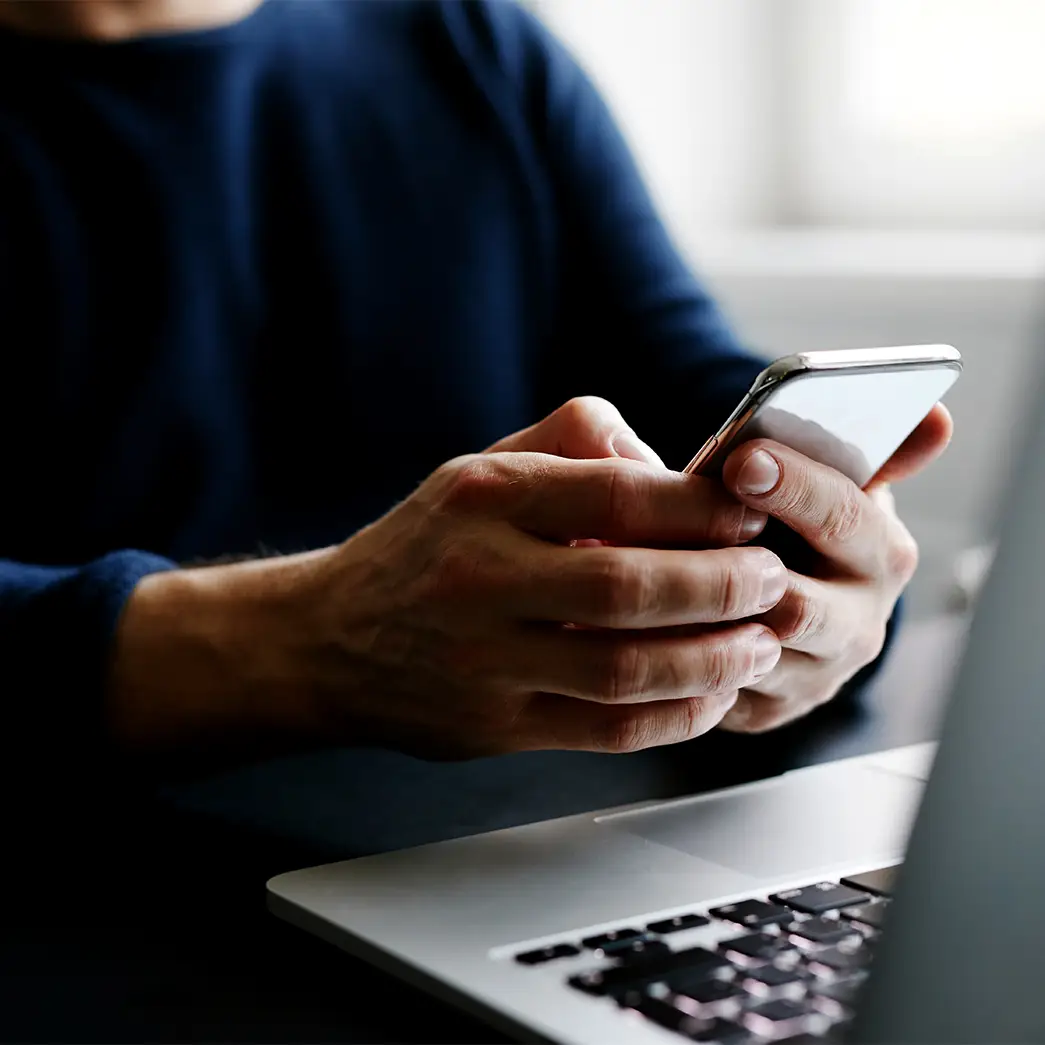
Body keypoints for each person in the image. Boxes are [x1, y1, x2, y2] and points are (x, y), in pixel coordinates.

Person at [0, 0, 951, 793]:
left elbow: (690, 387)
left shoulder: (467, 44)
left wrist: (820, 580)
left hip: (526, 845)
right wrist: (304, 642)